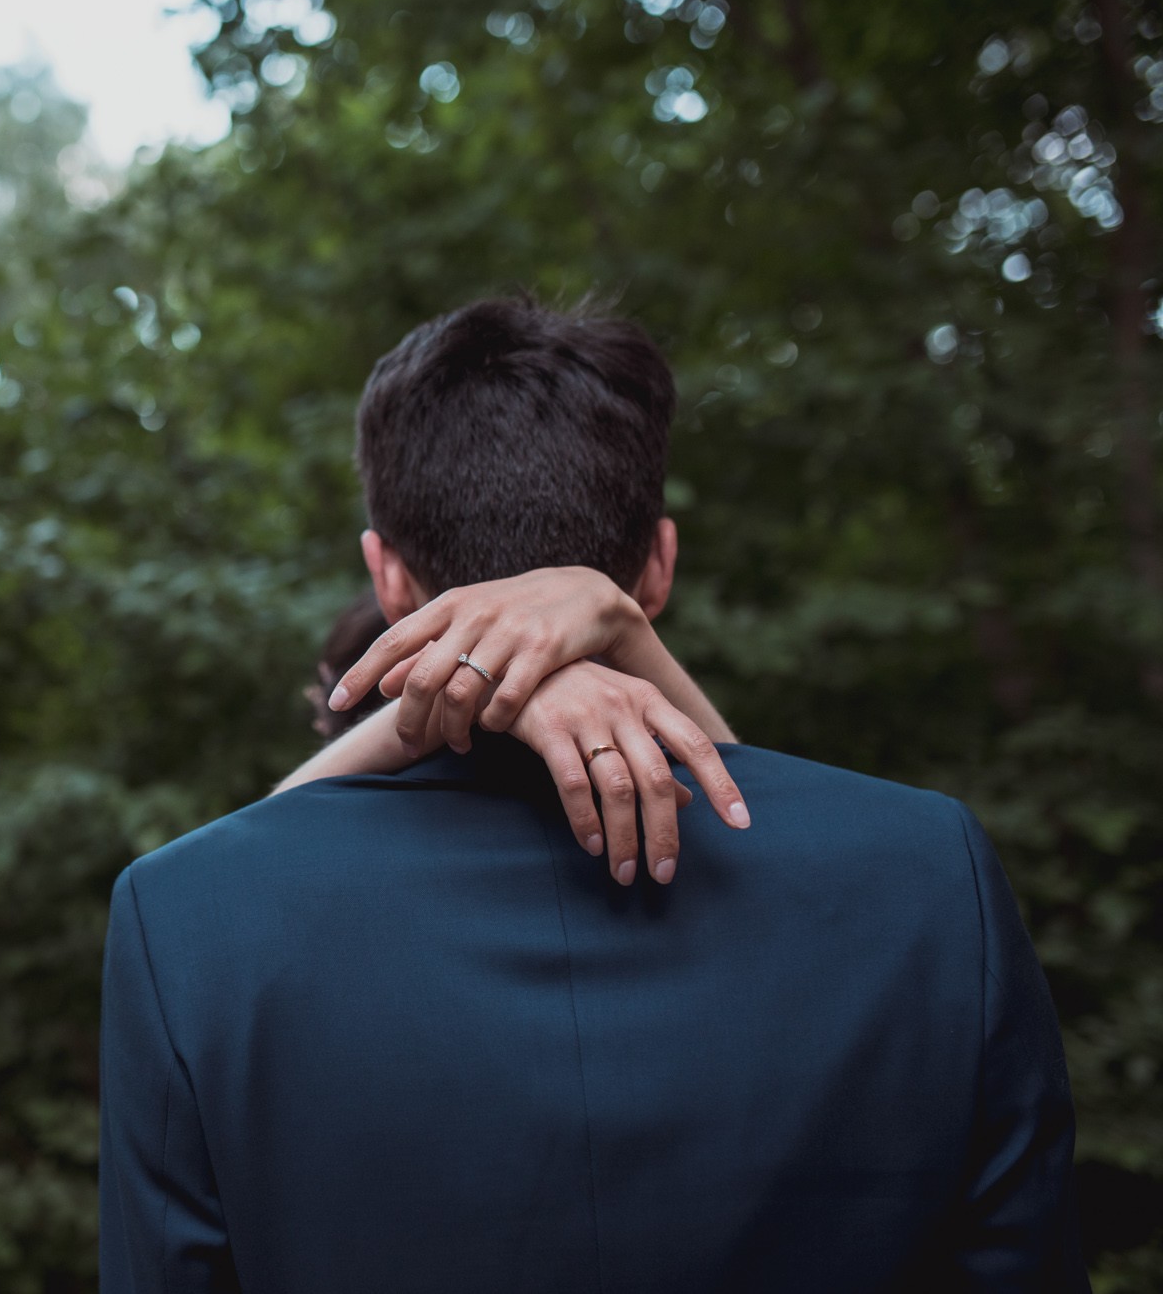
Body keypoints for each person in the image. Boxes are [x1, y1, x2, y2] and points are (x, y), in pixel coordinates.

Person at [98, 297, 1086, 1291]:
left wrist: (448, 695)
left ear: (387, 577)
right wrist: (611, 640)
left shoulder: (185, 918)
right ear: (656, 565)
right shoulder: (925, 873)